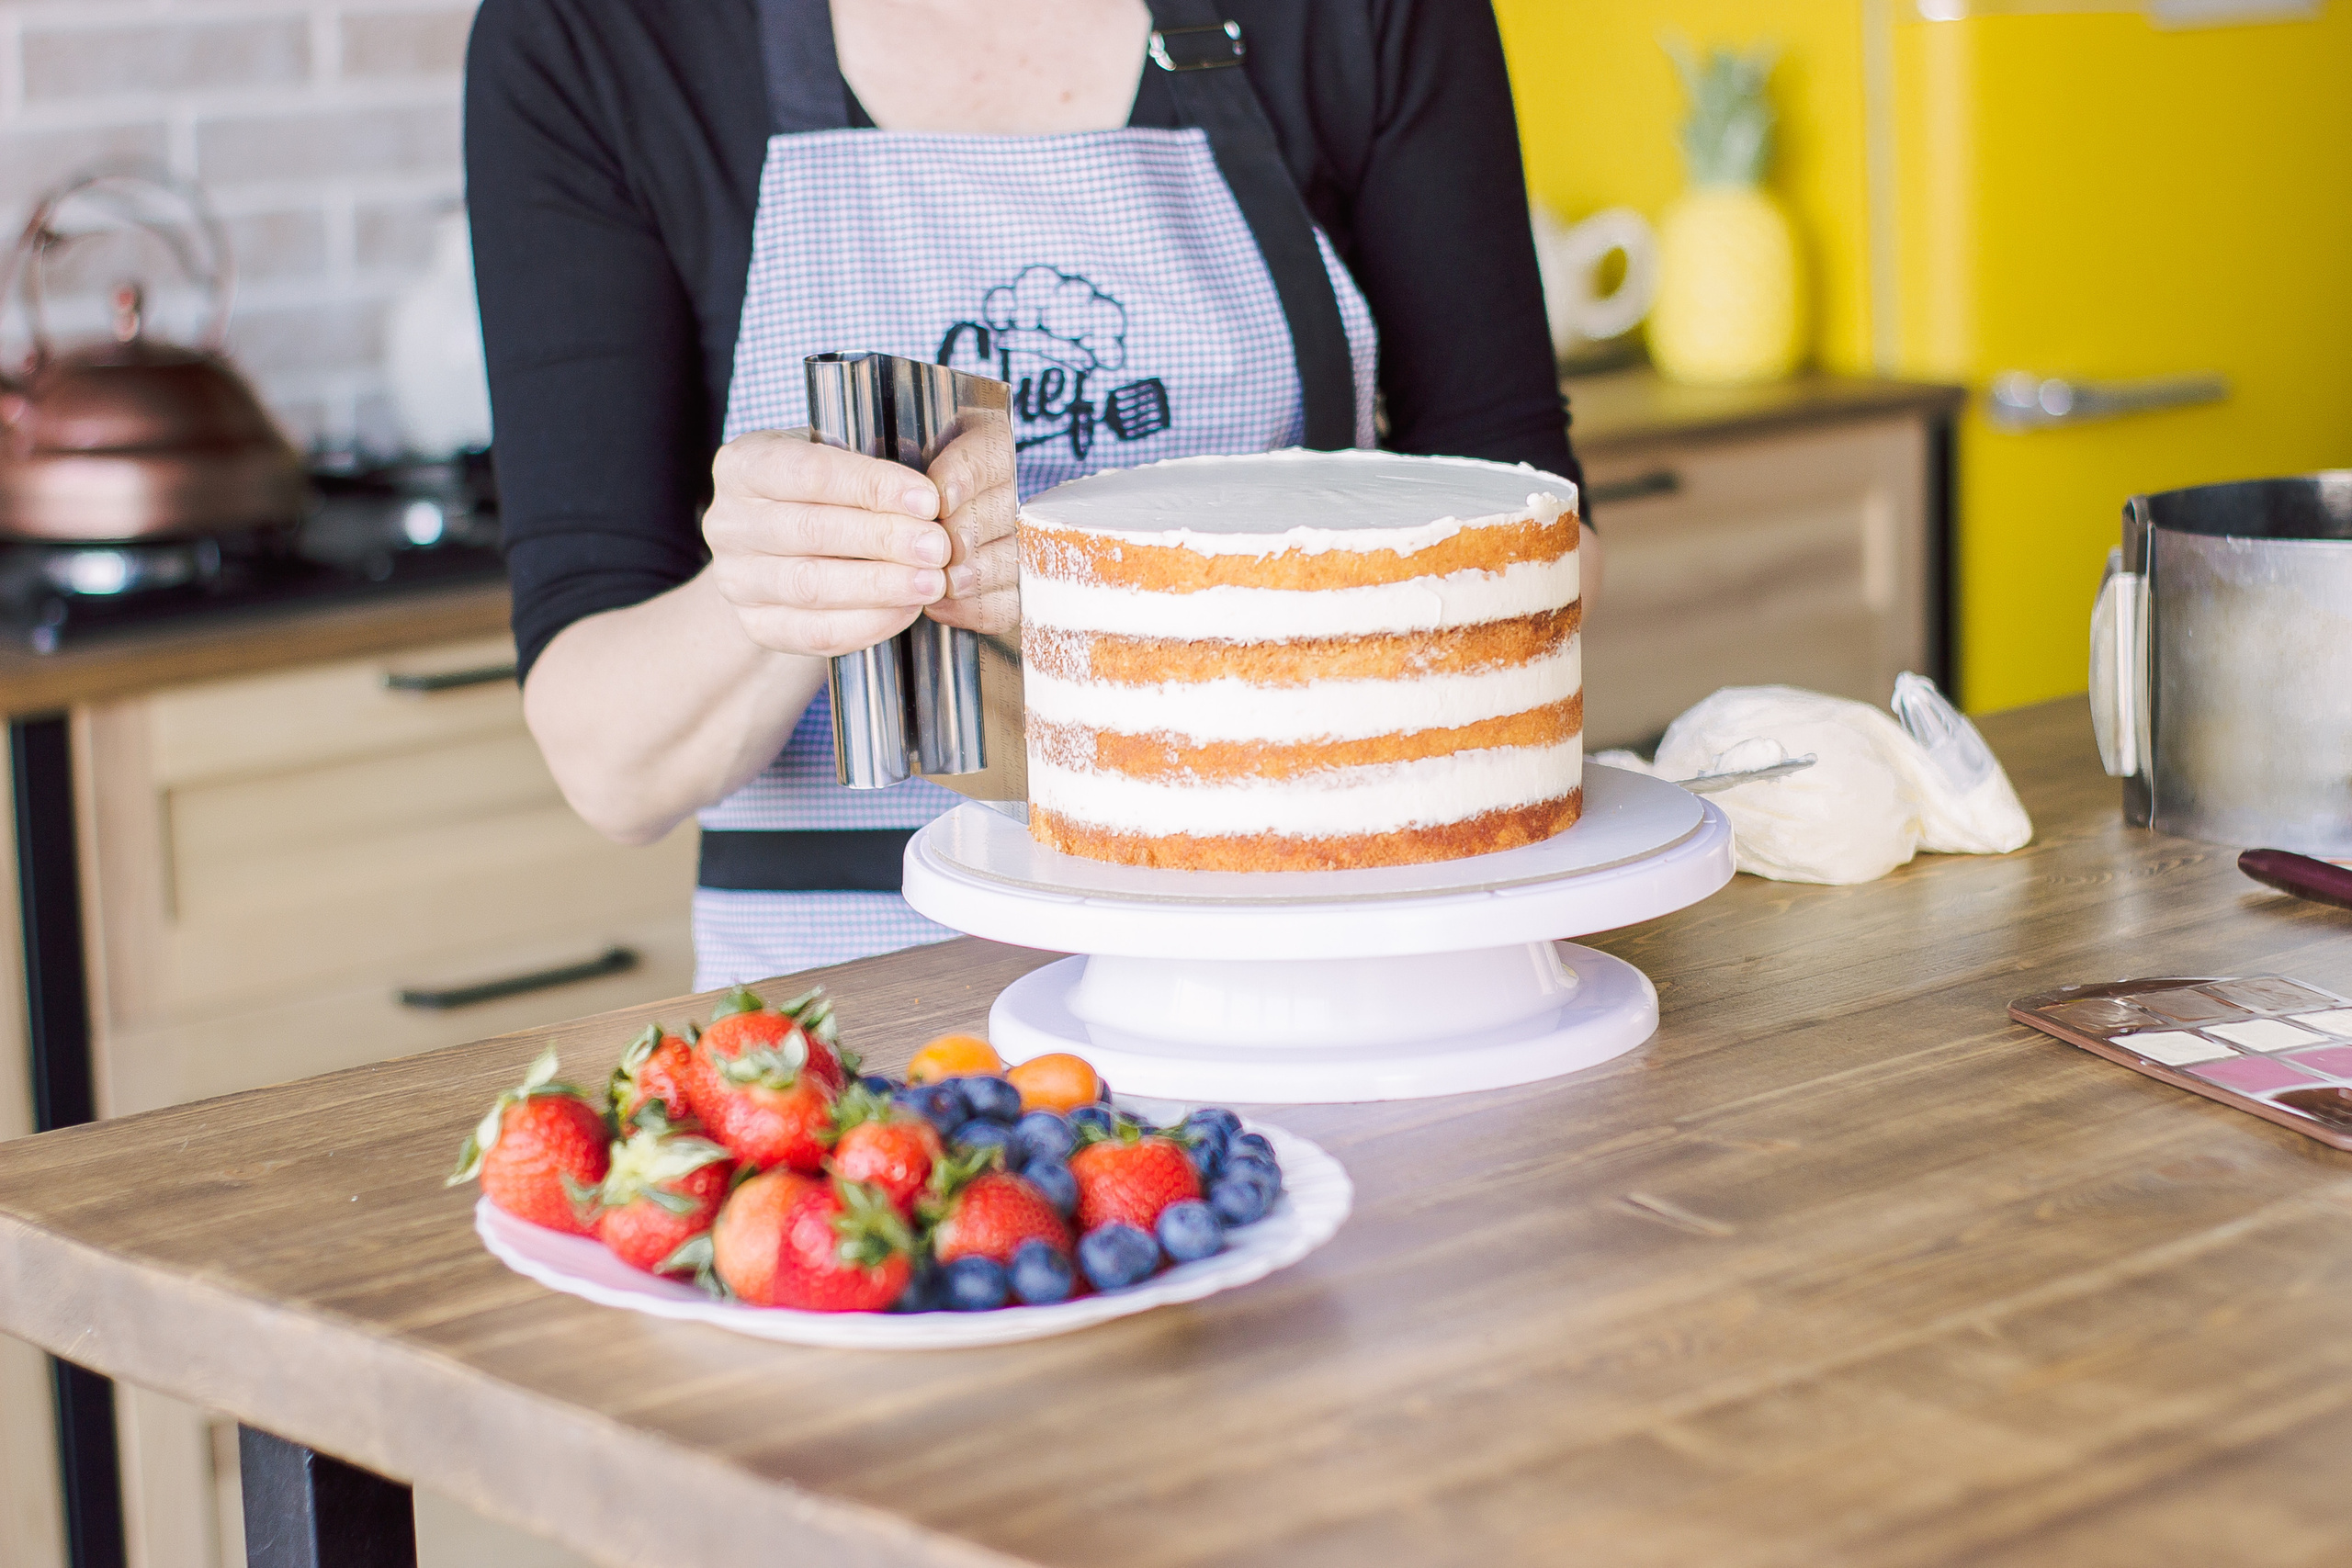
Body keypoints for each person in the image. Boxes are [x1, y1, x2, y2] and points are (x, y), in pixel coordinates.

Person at [466, 0, 1595, 990]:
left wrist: (1106, 588)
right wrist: (791, 584)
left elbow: (1548, 542)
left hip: (1327, 955)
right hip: (873, 1035)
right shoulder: (594, 33)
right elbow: (613, 769)